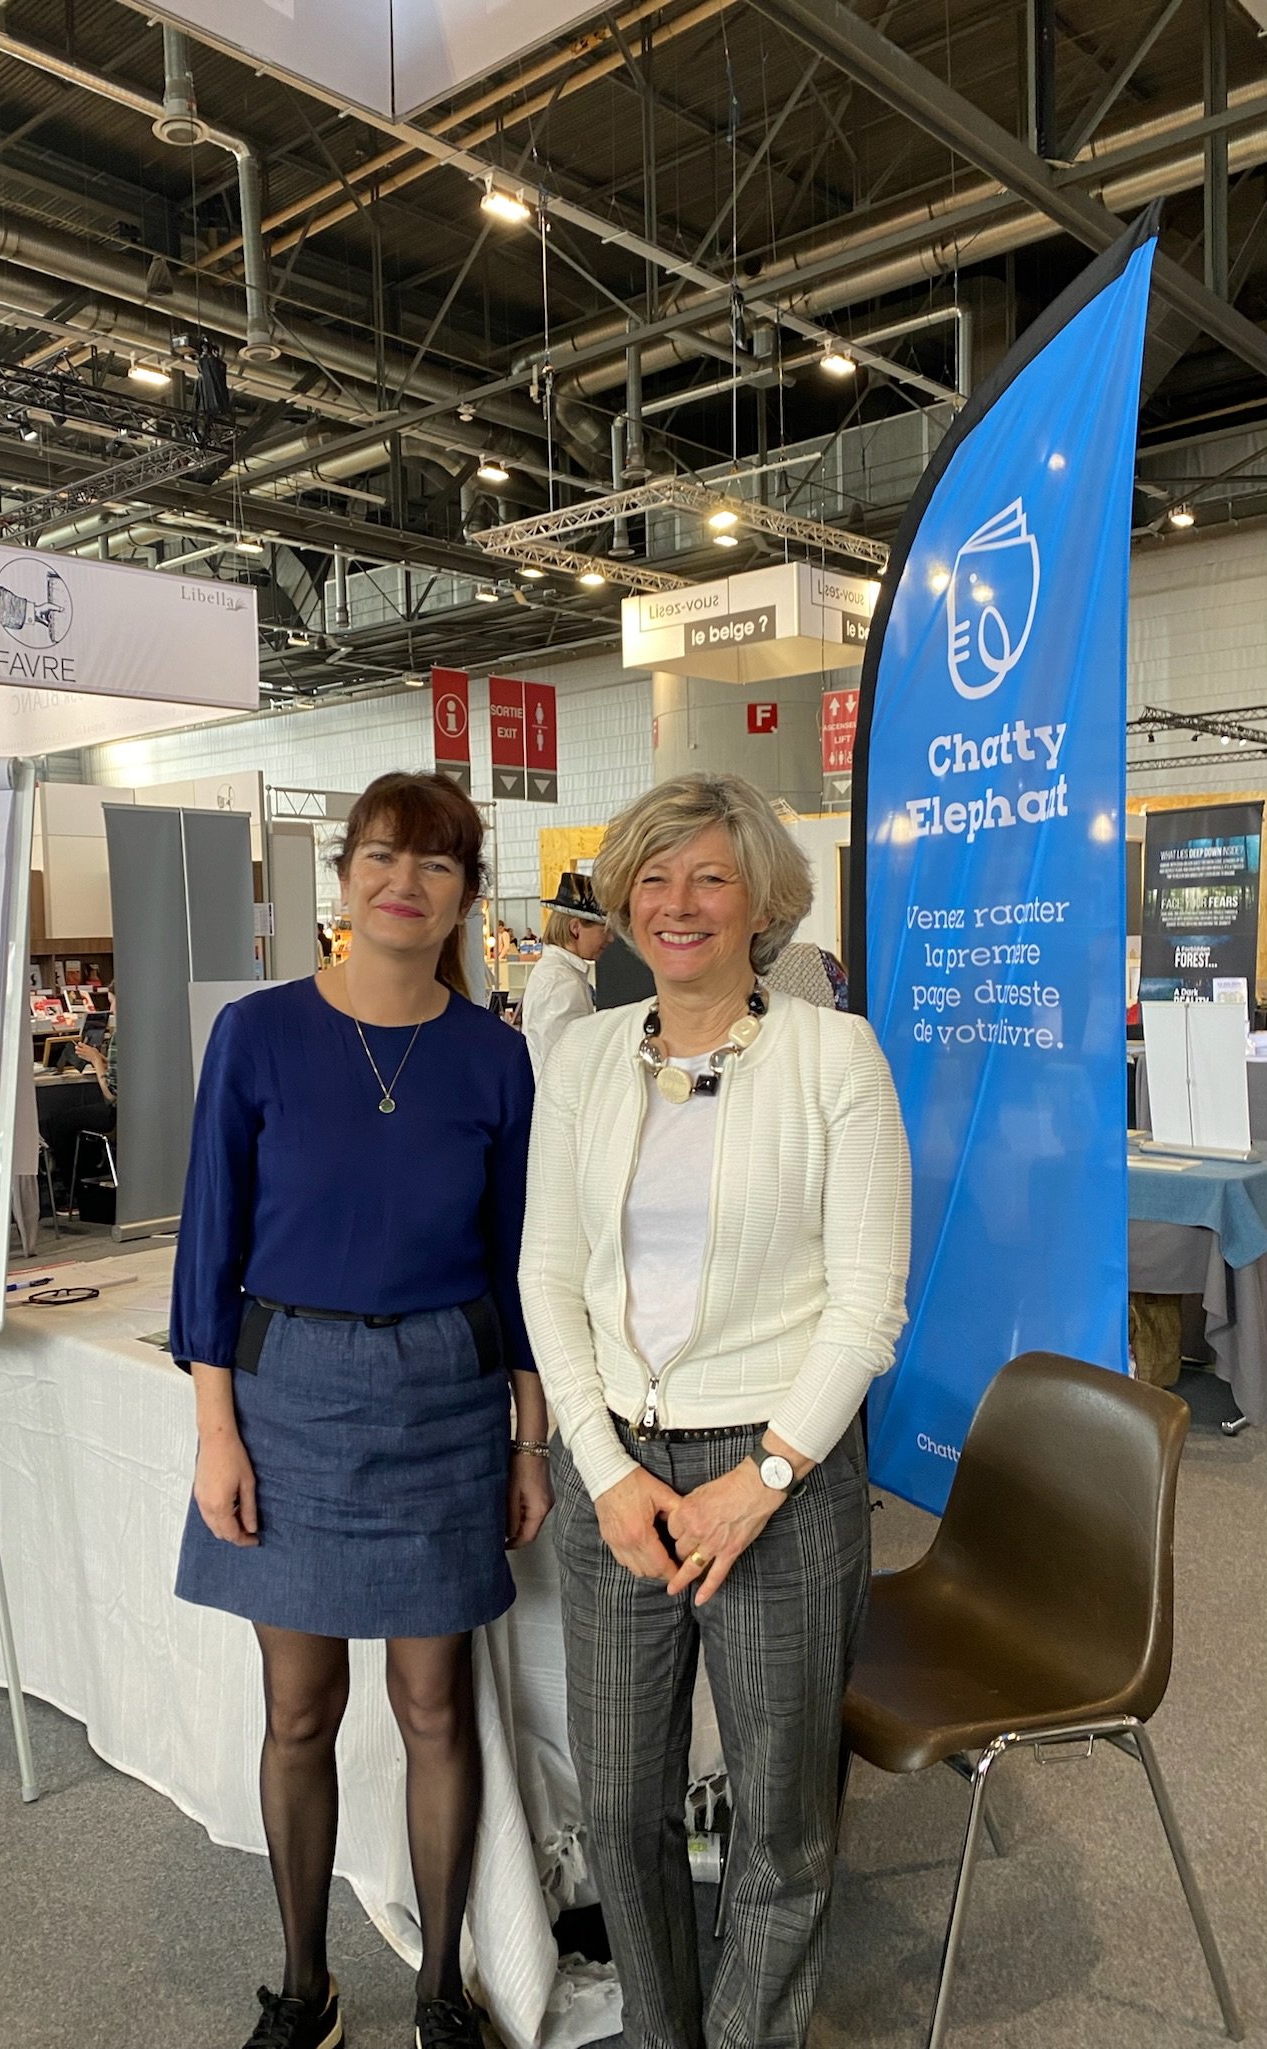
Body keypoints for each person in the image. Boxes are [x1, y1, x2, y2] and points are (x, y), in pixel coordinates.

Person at [519, 772, 910, 2049]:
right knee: (621, 1811)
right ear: (622, 901)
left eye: (709, 877)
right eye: (652, 877)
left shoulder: (833, 1056)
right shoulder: (582, 1059)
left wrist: (768, 1477)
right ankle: (660, 2032)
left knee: (780, 1823)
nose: (676, 904)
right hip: (617, 1484)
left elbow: (866, 1305)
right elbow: (547, 1278)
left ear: (760, 903)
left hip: (778, 1481)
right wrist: (602, 1468)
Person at [170, 771, 553, 2049]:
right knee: (298, 1710)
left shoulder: (494, 1056)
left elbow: (519, 1264)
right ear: (342, 876)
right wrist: (216, 1432)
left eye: (437, 864)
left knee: (434, 1706)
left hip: (445, 1396)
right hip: (286, 1396)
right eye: (383, 856)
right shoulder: (259, 1034)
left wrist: (530, 1440)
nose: (405, 883)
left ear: (465, 895)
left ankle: (440, 1988)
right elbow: (210, 1248)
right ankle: (305, 1987)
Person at [520, 871, 613, 1077]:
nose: (610, 938)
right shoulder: (561, 983)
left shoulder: (560, 975)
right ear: (575, 928)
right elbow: (563, 1066)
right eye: (604, 929)